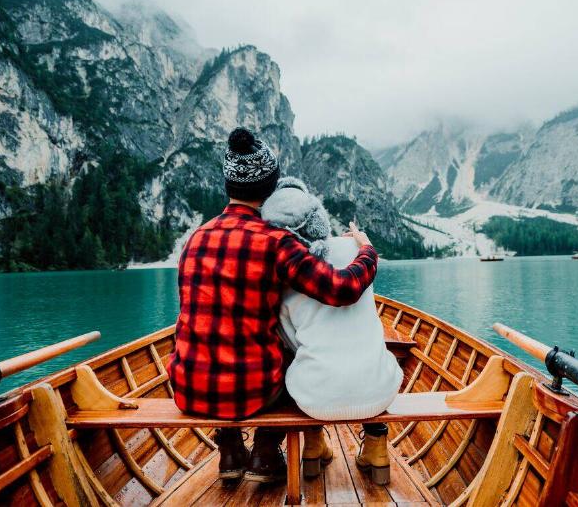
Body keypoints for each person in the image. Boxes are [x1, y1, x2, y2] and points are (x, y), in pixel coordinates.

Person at [166, 127, 378, 483]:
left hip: (188, 389)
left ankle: (231, 452)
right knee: (295, 355)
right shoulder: (276, 242)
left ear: (228, 186)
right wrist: (366, 250)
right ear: (272, 187)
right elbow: (342, 289)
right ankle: (265, 452)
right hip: (254, 393)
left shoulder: (194, 240)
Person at [261, 178, 403, 485]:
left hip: (314, 398)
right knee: (376, 352)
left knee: (293, 357)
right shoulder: (354, 249)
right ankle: (377, 447)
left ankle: (313, 445)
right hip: (378, 391)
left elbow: (290, 341)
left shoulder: (284, 269)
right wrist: (364, 246)